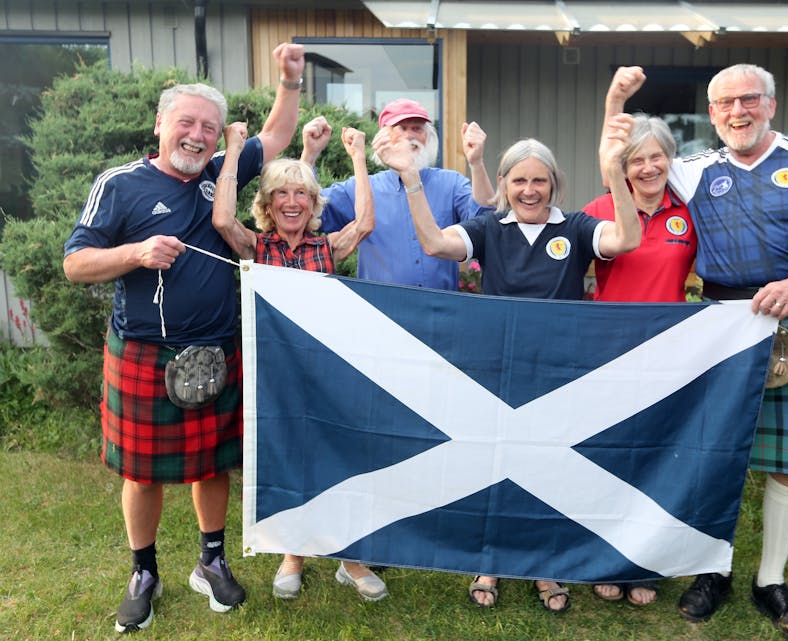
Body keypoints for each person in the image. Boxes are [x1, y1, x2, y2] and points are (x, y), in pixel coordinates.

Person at [604, 64, 788, 641]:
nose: (737, 111)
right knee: (714, 453)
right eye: (724, 103)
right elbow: (624, 156)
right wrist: (617, 99)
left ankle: (770, 581)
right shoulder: (695, 169)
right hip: (725, 327)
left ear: (770, 104)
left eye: (748, 99)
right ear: (712, 113)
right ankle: (713, 570)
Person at [62, 43, 306, 633]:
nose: (197, 136)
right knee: (141, 473)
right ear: (161, 125)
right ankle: (144, 570)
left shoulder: (223, 172)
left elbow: (273, 138)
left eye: (210, 128)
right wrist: (134, 253)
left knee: (210, 466)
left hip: (219, 348)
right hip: (145, 352)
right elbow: (74, 263)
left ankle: (211, 559)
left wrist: (290, 82)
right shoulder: (121, 184)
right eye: (186, 123)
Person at [378, 116, 642, 611]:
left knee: (550, 468)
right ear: (503, 185)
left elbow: (626, 240)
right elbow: (436, 244)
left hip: (559, 374)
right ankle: (491, 562)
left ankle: (546, 564)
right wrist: (412, 179)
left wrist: (616, 171)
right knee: (496, 465)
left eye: (539, 179)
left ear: (554, 184)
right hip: (496, 371)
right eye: (518, 179)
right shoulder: (487, 229)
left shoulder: (578, 227)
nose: (529, 189)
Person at [212, 116, 385, 601]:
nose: (292, 203)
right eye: (281, 195)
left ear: (313, 204)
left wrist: (356, 154)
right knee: (286, 461)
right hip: (274, 379)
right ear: (267, 204)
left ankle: (348, 559)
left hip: (328, 375)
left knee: (339, 460)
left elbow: (366, 223)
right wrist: (233, 147)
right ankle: (293, 553)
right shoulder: (255, 246)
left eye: (302, 195)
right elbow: (222, 220)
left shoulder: (325, 247)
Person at [583, 113, 697, 606]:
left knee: (653, 460)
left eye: (657, 156)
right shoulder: (598, 208)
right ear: (621, 166)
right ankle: (604, 557)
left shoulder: (691, 213)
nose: (649, 167)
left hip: (668, 358)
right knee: (609, 458)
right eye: (637, 159)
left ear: (669, 159)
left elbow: (724, 273)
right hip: (607, 354)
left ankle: (643, 562)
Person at [311, 98, 493, 290]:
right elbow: (310, 211)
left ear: (428, 137)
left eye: (417, 129)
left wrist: (476, 163)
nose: (409, 136)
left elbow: (485, 220)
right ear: (383, 138)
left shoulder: (451, 183)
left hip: (440, 311)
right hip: (380, 311)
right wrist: (310, 155)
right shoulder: (362, 187)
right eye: (401, 128)